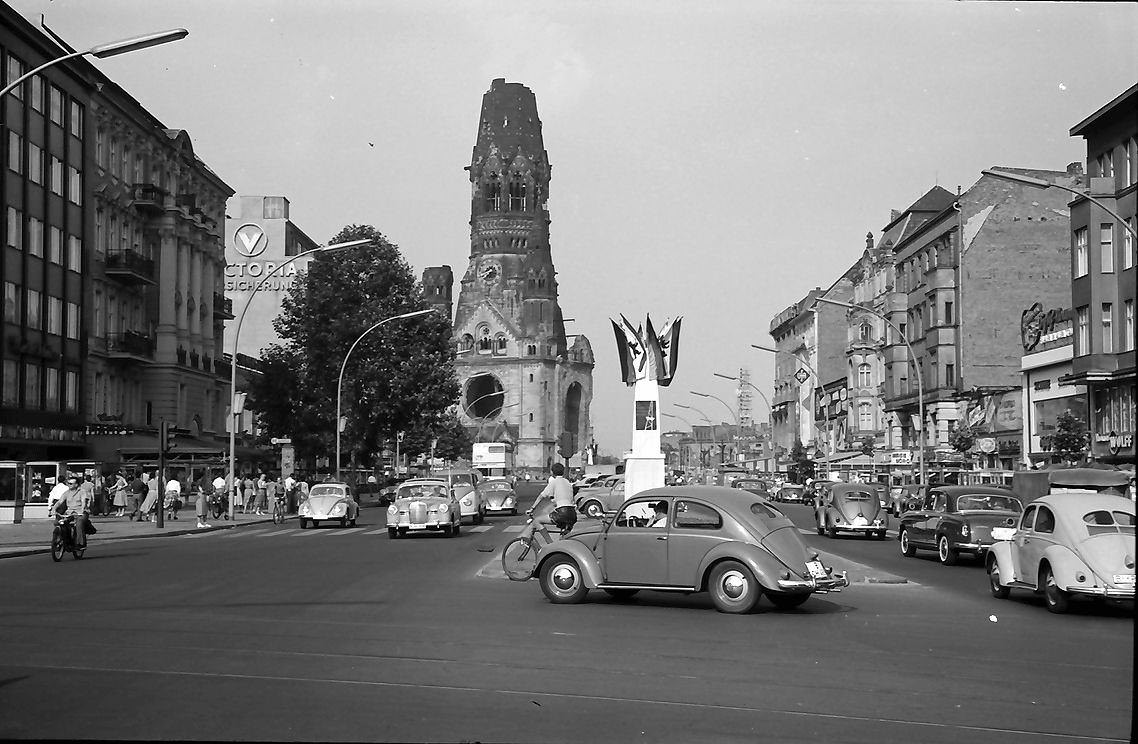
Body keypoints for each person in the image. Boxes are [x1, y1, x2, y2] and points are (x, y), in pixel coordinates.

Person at [534, 463, 577, 535]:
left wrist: (532, 508)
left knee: (536, 521)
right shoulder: (567, 482)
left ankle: (549, 543)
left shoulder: (553, 482)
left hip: (562, 513)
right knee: (563, 537)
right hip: (572, 514)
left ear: (552, 472)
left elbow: (541, 496)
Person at [51, 475, 91, 550]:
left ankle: (81, 544)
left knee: (79, 523)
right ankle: (62, 540)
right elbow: (60, 502)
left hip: (80, 512)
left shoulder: (82, 492)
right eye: (68, 483)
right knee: (58, 522)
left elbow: (83, 502)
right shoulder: (67, 493)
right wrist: (54, 509)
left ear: (76, 484)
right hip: (69, 513)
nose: (69, 485)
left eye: (71, 483)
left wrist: (82, 510)